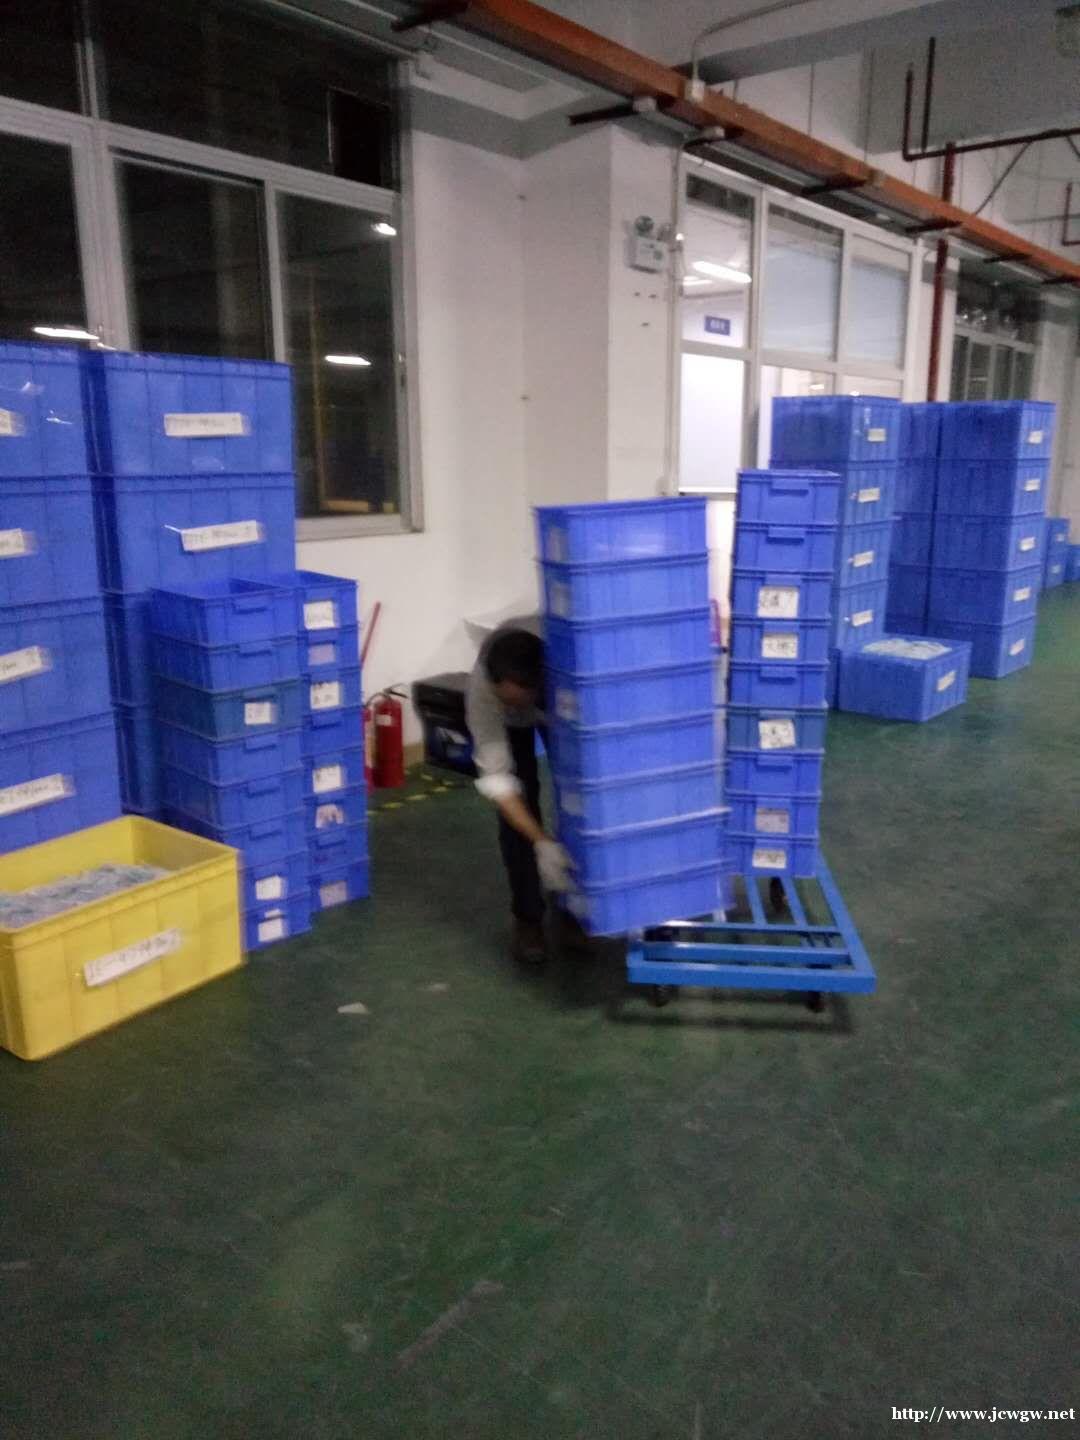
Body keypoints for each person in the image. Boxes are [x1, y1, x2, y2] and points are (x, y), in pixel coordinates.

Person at [465, 619, 576, 963]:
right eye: (506, 701)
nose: (511, 706)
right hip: (515, 724)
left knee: (578, 798)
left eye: (517, 701)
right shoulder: (484, 694)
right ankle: (529, 919)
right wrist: (541, 842)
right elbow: (501, 786)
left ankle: (578, 906)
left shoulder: (566, 665)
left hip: (559, 706)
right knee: (517, 815)